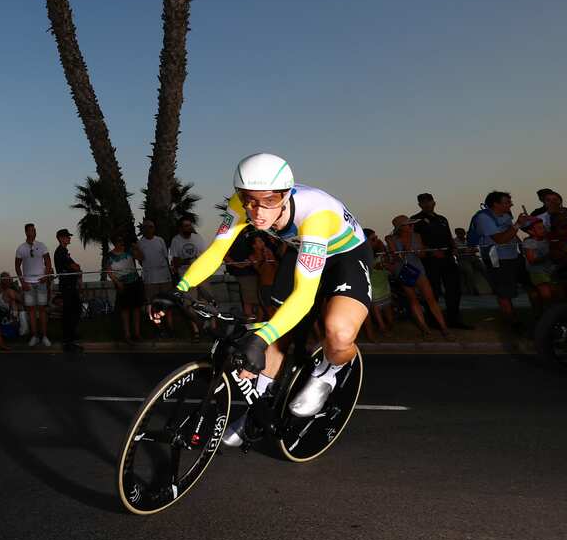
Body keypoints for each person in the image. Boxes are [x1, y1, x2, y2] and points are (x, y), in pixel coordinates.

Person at [172, 154, 375, 447]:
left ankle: (328, 373)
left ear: (285, 194)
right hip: (301, 251)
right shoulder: (239, 205)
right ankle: (260, 407)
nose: (256, 211)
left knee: (339, 332)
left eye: (268, 200)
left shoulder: (316, 215)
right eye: (249, 200)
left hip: (344, 256)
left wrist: (260, 339)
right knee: (278, 332)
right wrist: (180, 289)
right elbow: (216, 252)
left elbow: (304, 296)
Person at [469, 191, 531, 332]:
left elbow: (511, 235)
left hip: (513, 256)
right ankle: (513, 324)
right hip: (497, 259)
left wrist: (522, 247)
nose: (511, 204)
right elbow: (500, 239)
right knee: (504, 293)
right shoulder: (484, 218)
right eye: (507, 202)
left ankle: (537, 316)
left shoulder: (506, 215)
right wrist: (517, 225)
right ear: (496, 204)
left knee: (529, 286)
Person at [410, 193, 469, 329]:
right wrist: (431, 251)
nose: (426, 204)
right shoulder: (415, 220)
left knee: (454, 290)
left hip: (448, 259)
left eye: (428, 201)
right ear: (419, 205)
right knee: (432, 292)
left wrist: (454, 248)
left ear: (434, 202)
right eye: (423, 202)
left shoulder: (442, 219)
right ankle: (433, 321)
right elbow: (415, 241)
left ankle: (454, 320)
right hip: (430, 261)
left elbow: (449, 237)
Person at [387, 216, 451, 339]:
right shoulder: (391, 239)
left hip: (418, 269)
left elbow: (422, 254)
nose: (412, 226)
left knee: (430, 299)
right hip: (403, 270)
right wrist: (403, 250)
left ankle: (444, 328)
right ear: (400, 228)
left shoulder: (417, 236)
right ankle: (425, 329)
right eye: (408, 225)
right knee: (413, 300)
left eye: (412, 224)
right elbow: (395, 257)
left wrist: (415, 251)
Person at [14, 223, 53, 347]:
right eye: (31, 230)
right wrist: (22, 282)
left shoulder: (41, 246)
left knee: (42, 310)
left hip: (41, 282)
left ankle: (45, 336)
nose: (33, 232)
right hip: (28, 284)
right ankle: (34, 336)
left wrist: (45, 277)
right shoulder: (21, 248)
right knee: (31, 311)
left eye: (34, 230)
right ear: (26, 232)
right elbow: (17, 266)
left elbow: (48, 263)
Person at [106, 232, 144, 343]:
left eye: (122, 240)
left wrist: (137, 249)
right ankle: (127, 335)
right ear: (114, 243)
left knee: (136, 308)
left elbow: (141, 258)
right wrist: (117, 282)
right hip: (122, 285)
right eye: (119, 241)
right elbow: (109, 270)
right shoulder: (110, 255)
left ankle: (137, 334)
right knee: (125, 310)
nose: (121, 243)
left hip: (134, 282)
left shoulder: (129, 251)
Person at [137, 219, 172, 335]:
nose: (148, 229)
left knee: (167, 303)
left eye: (151, 227)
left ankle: (170, 327)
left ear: (154, 228)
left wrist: (170, 274)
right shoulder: (140, 243)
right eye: (146, 227)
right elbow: (141, 260)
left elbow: (166, 258)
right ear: (143, 229)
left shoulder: (160, 240)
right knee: (153, 305)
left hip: (164, 277)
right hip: (150, 280)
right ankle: (159, 328)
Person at [54, 228, 83, 352]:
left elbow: (77, 267)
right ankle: (68, 341)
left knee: (74, 311)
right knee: (70, 313)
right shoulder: (61, 252)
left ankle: (71, 338)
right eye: (67, 236)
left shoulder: (64, 251)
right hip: (67, 287)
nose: (69, 238)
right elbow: (75, 266)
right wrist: (77, 269)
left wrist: (77, 269)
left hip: (70, 286)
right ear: (61, 238)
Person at [521, 218, 556, 313]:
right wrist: (550, 254)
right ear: (530, 231)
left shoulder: (547, 239)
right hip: (537, 271)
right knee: (546, 294)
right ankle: (547, 313)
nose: (543, 229)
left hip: (550, 269)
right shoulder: (529, 242)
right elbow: (532, 260)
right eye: (540, 228)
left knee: (553, 292)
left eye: (543, 227)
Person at [363, 229, 393, 337]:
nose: (376, 240)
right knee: (377, 313)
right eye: (373, 239)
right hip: (373, 288)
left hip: (384, 285)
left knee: (389, 315)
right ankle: (381, 330)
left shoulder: (380, 249)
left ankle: (387, 329)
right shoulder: (363, 254)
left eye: (376, 237)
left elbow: (390, 262)